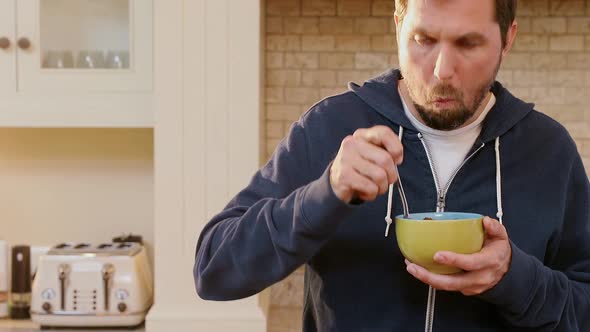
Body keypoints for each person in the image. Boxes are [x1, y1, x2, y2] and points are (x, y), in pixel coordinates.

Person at [193, 0, 590, 330]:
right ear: (398, 24)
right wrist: (323, 194)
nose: (441, 71)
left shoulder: (549, 151)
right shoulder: (330, 127)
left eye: (468, 44)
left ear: (508, 39)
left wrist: (514, 278)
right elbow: (214, 270)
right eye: (423, 40)